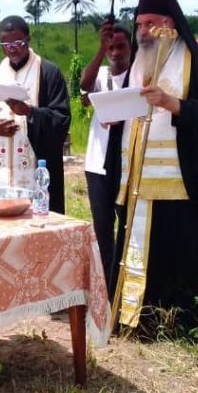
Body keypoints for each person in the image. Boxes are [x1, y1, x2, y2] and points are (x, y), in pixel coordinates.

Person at [108, 0, 198, 335]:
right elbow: (129, 111)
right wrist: (112, 116)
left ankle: (177, 321)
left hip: (177, 183)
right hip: (137, 179)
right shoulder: (139, 63)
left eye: (147, 23)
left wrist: (174, 104)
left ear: (168, 24)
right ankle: (134, 317)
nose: (140, 31)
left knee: (176, 254)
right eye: (138, 24)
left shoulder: (193, 62)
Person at [0, 15, 71, 212]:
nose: (11, 49)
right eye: (5, 44)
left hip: (34, 175)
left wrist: (29, 112)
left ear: (28, 39)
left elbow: (61, 119)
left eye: (17, 43)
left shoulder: (48, 73)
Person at [79, 20, 132, 287]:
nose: (115, 52)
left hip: (125, 163)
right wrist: (100, 48)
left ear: (131, 47)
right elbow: (84, 88)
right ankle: (105, 286)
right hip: (97, 163)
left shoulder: (138, 76)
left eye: (120, 46)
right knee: (102, 228)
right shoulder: (101, 75)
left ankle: (122, 284)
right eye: (111, 47)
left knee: (125, 226)